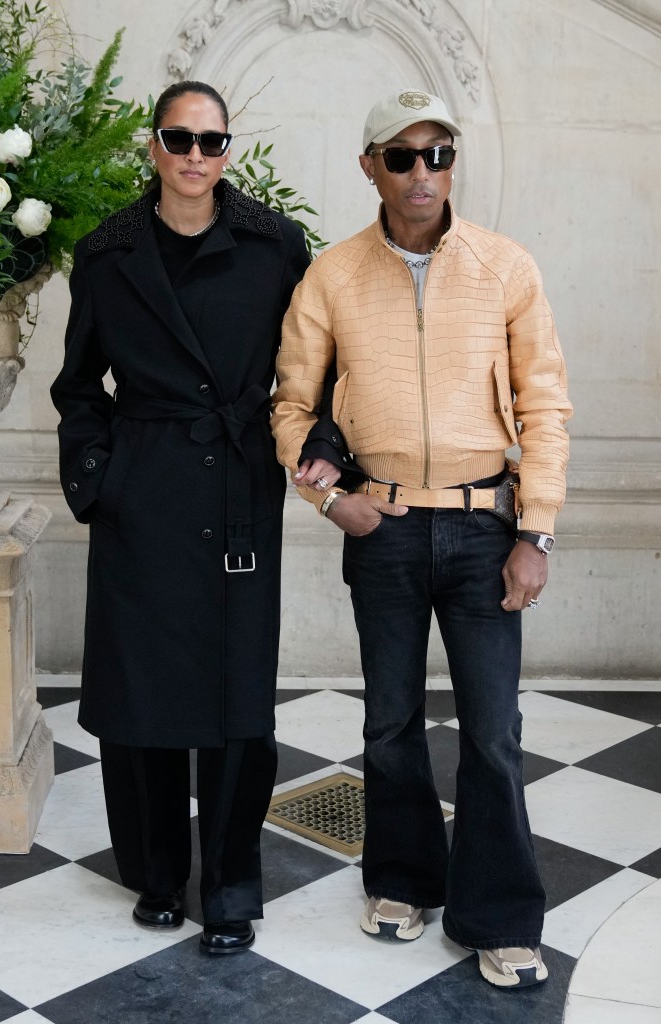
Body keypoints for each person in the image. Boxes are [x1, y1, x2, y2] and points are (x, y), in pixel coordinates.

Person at [271, 89, 572, 988]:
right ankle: (401, 879)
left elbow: (546, 406)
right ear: (369, 166)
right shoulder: (330, 274)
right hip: (386, 528)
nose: (421, 173)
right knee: (391, 723)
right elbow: (291, 405)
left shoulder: (505, 267)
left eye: (437, 154)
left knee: (491, 733)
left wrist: (538, 533)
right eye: (400, 156)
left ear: (452, 164)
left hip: (486, 529)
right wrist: (334, 506)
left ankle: (500, 914)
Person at [51, 81, 309, 954]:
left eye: (210, 142)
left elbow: (316, 369)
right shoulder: (105, 253)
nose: (194, 157)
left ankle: (231, 883)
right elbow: (78, 386)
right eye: (178, 139)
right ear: (153, 147)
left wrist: (324, 445)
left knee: (239, 699)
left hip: (238, 492)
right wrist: (98, 477)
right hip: (144, 492)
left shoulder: (275, 246)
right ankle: (159, 874)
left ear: (227, 150)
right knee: (143, 696)